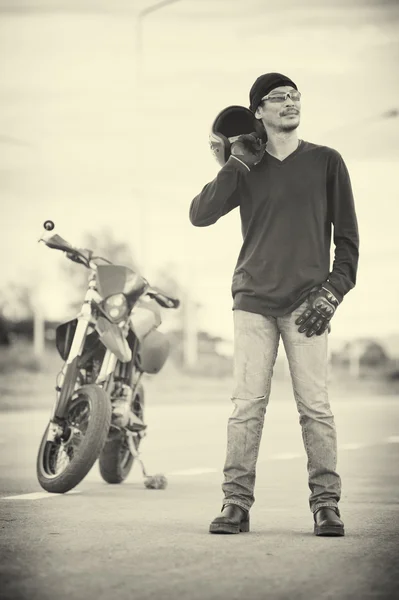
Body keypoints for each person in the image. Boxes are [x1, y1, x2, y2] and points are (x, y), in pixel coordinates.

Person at [189, 72, 359, 537]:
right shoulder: (246, 164)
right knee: (247, 406)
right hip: (253, 302)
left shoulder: (327, 162)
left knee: (316, 407)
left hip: (309, 305)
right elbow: (199, 215)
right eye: (278, 97)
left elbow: (347, 243)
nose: (290, 102)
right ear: (258, 112)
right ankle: (235, 504)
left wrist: (333, 291)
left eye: (295, 96)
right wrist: (235, 165)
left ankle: (326, 504)